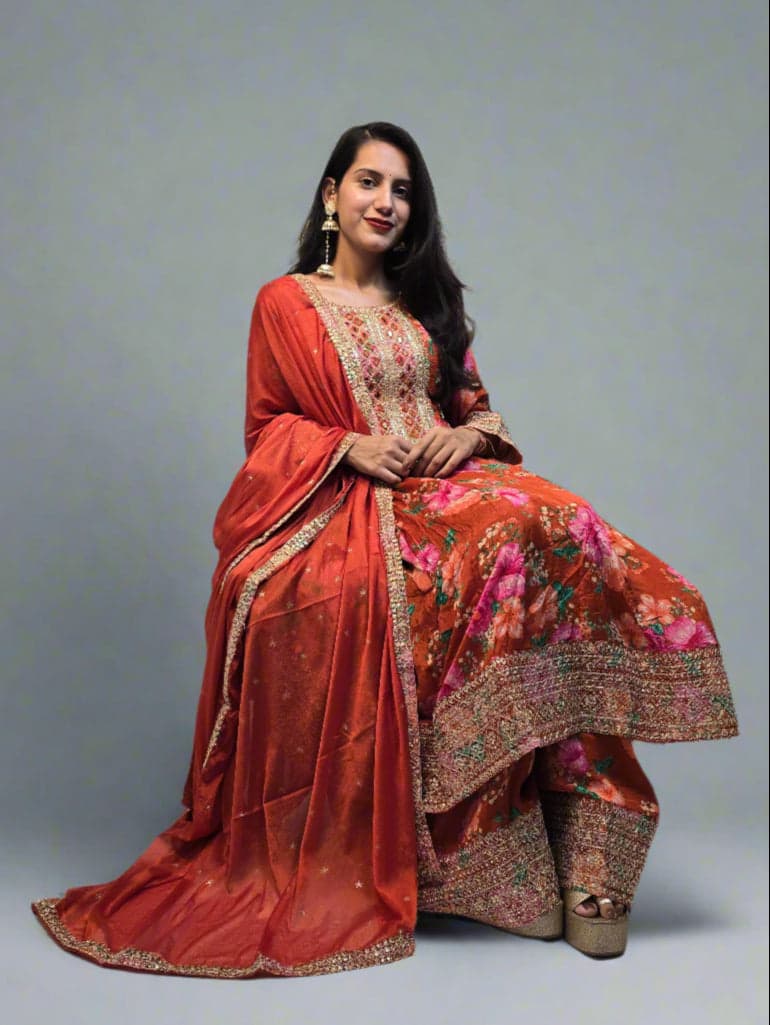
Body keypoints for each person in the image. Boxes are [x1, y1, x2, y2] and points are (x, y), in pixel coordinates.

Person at [31, 121, 739, 977]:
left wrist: (470, 437)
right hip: (353, 504)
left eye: (402, 190)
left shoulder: (424, 303)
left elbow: (479, 405)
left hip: (447, 486)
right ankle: (486, 852)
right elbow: (265, 433)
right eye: (369, 183)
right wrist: (348, 447)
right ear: (331, 195)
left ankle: (589, 843)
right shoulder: (287, 302)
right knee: (510, 538)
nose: (386, 203)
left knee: (562, 522)